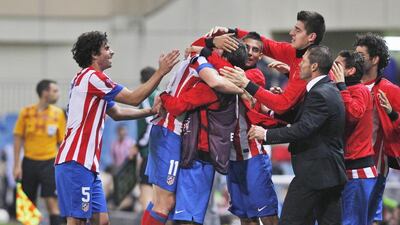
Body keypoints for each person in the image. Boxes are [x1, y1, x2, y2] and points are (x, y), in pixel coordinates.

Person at [54, 31, 179, 225]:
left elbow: (118, 113)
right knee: (77, 221)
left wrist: (150, 112)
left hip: (87, 164)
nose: (112, 52)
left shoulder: (86, 79)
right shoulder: (94, 78)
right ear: (94, 54)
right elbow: (134, 98)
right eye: (106, 48)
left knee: (102, 221)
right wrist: (161, 72)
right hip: (75, 162)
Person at [141, 41, 246, 225]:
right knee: (165, 203)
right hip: (170, 133)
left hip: (171, 134)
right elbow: (179, 106)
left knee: (164, 203)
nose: (213, 51)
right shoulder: (205, 68)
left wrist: (161, 94)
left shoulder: (202, 63)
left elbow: (208, 70)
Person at [248, 46, 347, 225]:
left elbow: (303, 128)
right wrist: (273, 110)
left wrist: (266, 134)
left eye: (304, 61)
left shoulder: (320, 93)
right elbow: (306, 119)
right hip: (329, 173)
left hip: (315, 174)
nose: (298, 65)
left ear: (314, 66)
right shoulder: (325, 89)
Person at [207, 11, 326, 115]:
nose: (291, 33)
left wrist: (246, 83)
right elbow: (267, 45)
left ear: (311, 37)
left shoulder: (309, 69)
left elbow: (282, 105)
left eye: (298, 30)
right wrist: (232, 32)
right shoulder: (297, 52)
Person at [354, 33, 400, 224]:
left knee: (368, 218)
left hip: (374, 165)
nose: (355, 59)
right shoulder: (348, 87)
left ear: (375, 59)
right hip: (347, 163)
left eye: (361, 56)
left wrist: (392, 114)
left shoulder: (390, 90)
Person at [331, 50, 377, 225]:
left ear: (349, 71)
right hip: (344, 168)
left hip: (358, 169)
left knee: (351, 222)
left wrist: (342, 86)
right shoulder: (340, 90)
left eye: (337, 65)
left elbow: (353, 114)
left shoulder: (359, 90)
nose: (331, 68)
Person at [13, 79, 66, 225]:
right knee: (27, 206)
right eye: (55, 91)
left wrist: (64, 166)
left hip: (49, 163)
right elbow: (18, 138)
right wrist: (16, 165)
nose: (58, 94)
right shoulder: (26, 112)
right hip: (29, 162)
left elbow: (62, 142)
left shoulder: (58, 113)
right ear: (45, 93)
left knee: (51, 203)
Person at [135, 67, 159, 213]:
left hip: (149, 152)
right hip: (161, 152)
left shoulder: (147, 97)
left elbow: (151, 123)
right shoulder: (162, 94)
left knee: (146, 193)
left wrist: (138, 145)